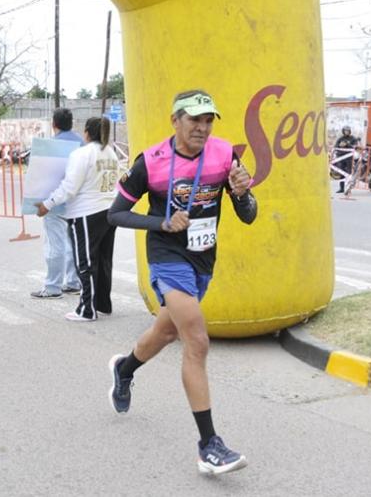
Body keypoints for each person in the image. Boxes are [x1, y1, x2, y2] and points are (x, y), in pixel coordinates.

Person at [106, 90, 257, 475]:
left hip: (203, 259)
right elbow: (116, 214)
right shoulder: (152, 162)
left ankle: (124, 370)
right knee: (197, 340)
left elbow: (249, 214)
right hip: (167, 256)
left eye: (208, 121)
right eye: (194, 120)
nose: (202, 128)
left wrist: (241, 194)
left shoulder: (224, 155)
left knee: (167, 331)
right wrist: (161, 222)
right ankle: (209, 445)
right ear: (175, 120)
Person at [35, 116, 125, 321]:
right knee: (103, 260)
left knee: (85, 262)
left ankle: (87, 309)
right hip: (108, 211)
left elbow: (69, 187)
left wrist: (47, 204)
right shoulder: (110, 152)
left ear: (86, 132)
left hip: (86, 213)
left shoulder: (82, 154)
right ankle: (102, 303)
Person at [30, 108, 83, 299]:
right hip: (77, 202)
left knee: (55, 245)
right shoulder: (82, 143)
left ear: (54, 124)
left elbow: (39, 175)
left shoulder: (50, 145)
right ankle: (73, 282)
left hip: (54, 202)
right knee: (73, 243)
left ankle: (52, 286)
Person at [333, 126, 359, 193]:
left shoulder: (353, 138)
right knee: (341, 172)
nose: (346, 132)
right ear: (343, 131)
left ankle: (348, 188)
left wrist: (347, 144)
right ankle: (341, 188)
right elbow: (335, 146)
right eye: (345, 131)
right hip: (341, 156)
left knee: (349, 172)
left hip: (349, 158)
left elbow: (355, 146)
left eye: (347, 131)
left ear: (350, 131)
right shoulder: (341, 138)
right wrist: (340, 145)